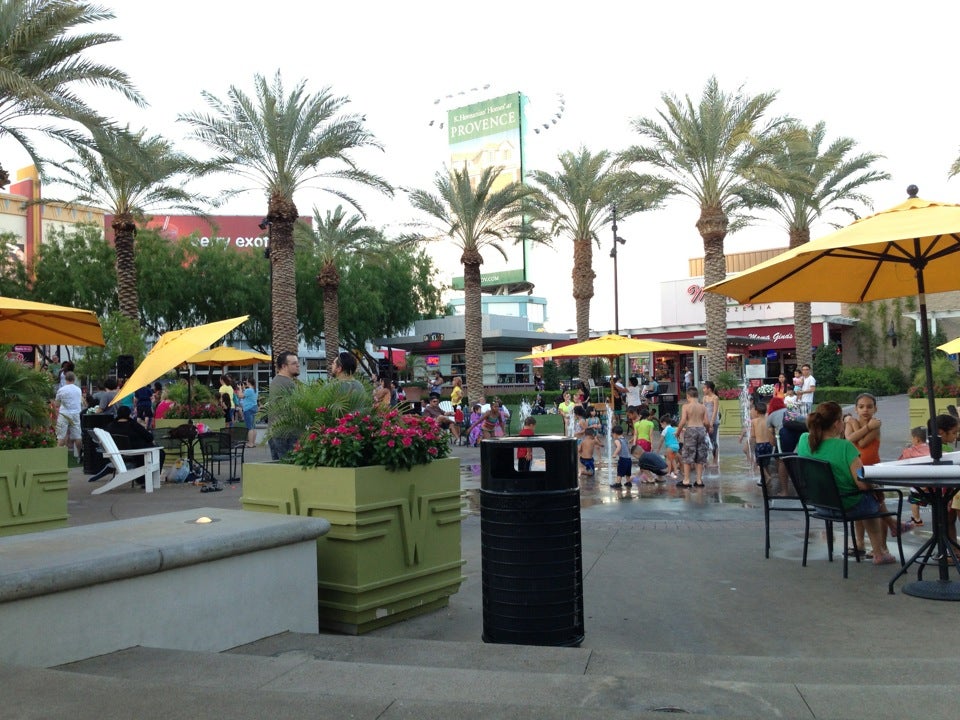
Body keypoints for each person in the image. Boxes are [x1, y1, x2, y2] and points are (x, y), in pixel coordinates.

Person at [796, 401, 895, 565]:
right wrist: (876, 488)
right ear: (836, 424)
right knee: (871, 497)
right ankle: (879, 552)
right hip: (846, 506)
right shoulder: (845, 447)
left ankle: (887, 530)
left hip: (819, 505)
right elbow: (862, 484)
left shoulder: (804, 439)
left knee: (869, 496)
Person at [105, 405, 165, 471]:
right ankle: (150, 477)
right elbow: (149, 437)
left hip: (117, 454)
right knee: (160, 453)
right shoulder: (133, 425)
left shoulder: (110, 427)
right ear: (129, 414)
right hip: (137, 454)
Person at [268, 351, 300, 461]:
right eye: (294, 363)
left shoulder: (275, 381)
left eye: (298, 363)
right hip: (286, 434)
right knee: (289, 468)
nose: (298, 365)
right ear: (284, 366)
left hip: (275, 432)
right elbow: (296, 408)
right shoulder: (287, 383)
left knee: (279, 469)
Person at [676, 386, 708, 488]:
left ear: (688, 396)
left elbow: (683, 421)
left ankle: (686, 480)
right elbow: (706, 422)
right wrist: (707, 429)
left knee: (688, 455)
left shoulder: (686, 406)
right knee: (700, 455)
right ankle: (699, 480)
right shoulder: (703, 407)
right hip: (701, 430)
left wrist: (678, 432)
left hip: (691, 430)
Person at [899, 426, 930, 526]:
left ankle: (917, 519)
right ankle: (940, 518)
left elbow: (900, 461)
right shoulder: (932, 448)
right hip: (932, 482)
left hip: (917, 483)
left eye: (911, 438)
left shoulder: (910, 451)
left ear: (917, 439)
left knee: (914, 502)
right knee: (935, 502)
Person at [55, 370, 84, 459]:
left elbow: (57, 404)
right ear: (74, 379)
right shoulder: (78, 389)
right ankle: (80, 455)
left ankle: (58, 457)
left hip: (64, 414)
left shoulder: (61, 389)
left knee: (61, 436)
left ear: (65, 379)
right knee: (77, 436)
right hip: (75, 413)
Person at [702, 380, 720, 466]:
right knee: (705, 440)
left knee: (713, 440)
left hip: (714, 422)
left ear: (709, 389)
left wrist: (711, 424)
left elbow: (715, 411)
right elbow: (703, 410)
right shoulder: (704, 398)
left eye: (704, 388)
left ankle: (715, 460)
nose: (703, 390)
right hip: (705, 422)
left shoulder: (715, 398)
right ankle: (706, 459)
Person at [657, 415, 680, 479]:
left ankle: (669, 472)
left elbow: (661, 440)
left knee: (668, 459)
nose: (661, 427)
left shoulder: (665, 430)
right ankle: (675, 471)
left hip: (670, 446)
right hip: (676, 446)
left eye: (661, 425)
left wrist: (658, 449)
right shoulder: (673, 429)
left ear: (664, 423)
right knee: (673, 459)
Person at [240, 378, 259, 448]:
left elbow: (240, 396)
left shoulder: (248, 390)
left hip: (248, 409)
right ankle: (253, 443)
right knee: (253, 427)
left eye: (246, 381)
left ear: (249, 382)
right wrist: (244, 388)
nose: (246, 382)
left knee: (249, 427)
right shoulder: (255, 390)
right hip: (254, 408)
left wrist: (240, 388)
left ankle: (250, 443)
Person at [612, 425, 631, 489]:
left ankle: (618, 483)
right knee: (628, 472)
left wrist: (614, 454)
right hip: (628, 458)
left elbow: (619, 447)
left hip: (623, 459)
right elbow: (628, 448)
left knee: (620, 471)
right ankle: (628, 482)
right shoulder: (625, 439)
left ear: (615, 434)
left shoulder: (617, 440)